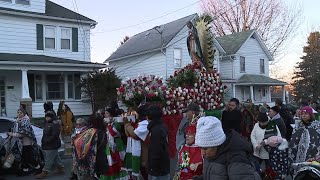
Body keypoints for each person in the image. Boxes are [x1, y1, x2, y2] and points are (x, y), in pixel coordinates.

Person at [193, 116, 261, 180]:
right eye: (201, 148)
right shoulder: (211, 154)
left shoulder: (236, 158)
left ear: (216, 144)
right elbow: (214, 175)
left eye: (205, 148)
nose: (202, 153)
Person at [6, 109, 41, 176]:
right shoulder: (18, 120)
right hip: (21, 143)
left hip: (27, 143)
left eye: (21, 113)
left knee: (29, 158)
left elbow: (24, 134)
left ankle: (38, 168)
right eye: (18, 113)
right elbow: (16, 130)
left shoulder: (25, 121)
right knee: (24, 158)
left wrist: (12, 134)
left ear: (24, 113)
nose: (19, 114)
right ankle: (26, 170)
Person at [72, 113, 108, 180]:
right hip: (99, 161)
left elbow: (75, 141)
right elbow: (104, 145)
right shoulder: (101, 133)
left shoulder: (86, 132)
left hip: (85, 162)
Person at [288, 106, 320, 172]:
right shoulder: (298, 126)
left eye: (306, 114)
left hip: (314, 156)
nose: (303, 116)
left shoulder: (317, 125)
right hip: (299, 157)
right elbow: (293, 141)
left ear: (310, 115)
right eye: (302, 114)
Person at [123, 104, 150, 179]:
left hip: (144, 154)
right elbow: (128, 134)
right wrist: (127, 124)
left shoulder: (145, 124)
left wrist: (127, 124)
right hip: (137, 152)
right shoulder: (138, 123)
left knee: (145, 174)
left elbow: (134, 135)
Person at [100, 108, 127, 179]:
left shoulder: (116, 123)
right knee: (110, 161)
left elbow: (113, 133)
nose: (105, 115)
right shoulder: (105, 124)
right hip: (108, 145)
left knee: (119, 161)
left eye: (107, 113)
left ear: (111, 114)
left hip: (117, 144)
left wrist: (109, 124)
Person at [35, 113, 64, 179]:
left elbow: (55, 135)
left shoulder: (55, 124)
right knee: (56, 156)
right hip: (49, 143)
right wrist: (44, 141)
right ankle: (60, 168)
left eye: (48, 117)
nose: (47, 118)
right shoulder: (47, 123)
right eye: (46, 117)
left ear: (52, 117)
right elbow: (45, 134)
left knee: (48, 158)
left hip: (52, 144)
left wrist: (47, 141)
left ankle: (45, 172)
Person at [147, 104, 170, 180]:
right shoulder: (161, 126)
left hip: (158, 168)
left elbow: (156, 150)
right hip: (163, 165)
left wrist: (152, 168)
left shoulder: (156, 130)